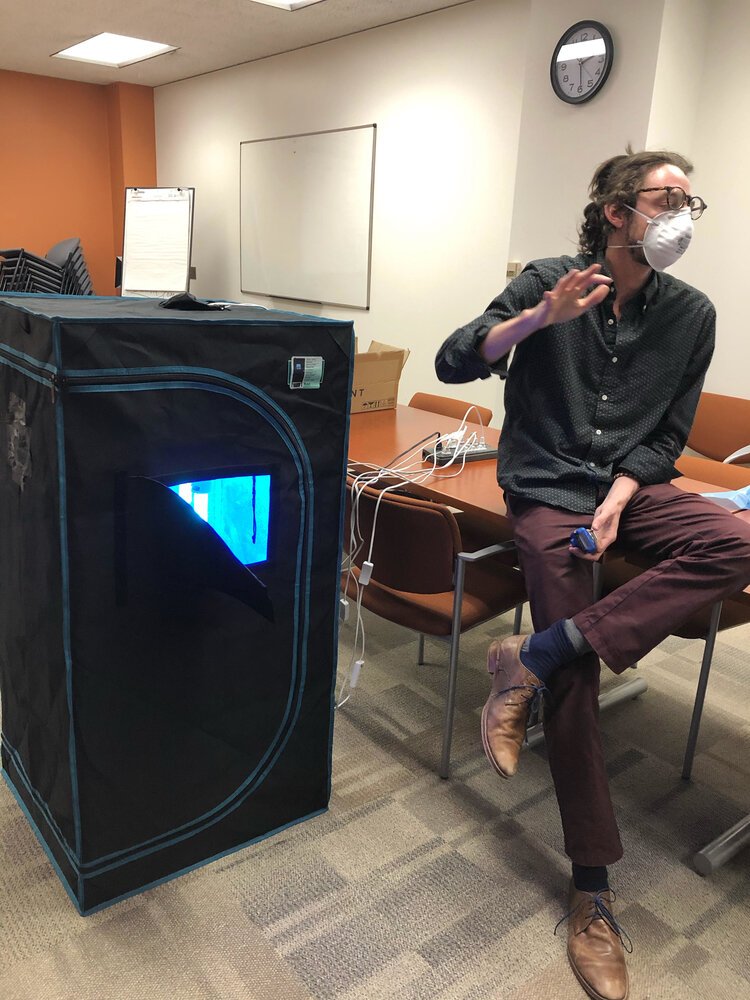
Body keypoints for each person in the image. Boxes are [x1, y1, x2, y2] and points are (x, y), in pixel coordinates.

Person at [435, 149, 750, 1000]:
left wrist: (615, 503)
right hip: (543, 485)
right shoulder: (550, 280)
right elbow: (454, 360)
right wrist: (538, 319)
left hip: (629, 491)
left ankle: (531, 656)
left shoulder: (693, 313)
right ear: (617, 211)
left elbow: (667, 435)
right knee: (577, 683)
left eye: (690, 202)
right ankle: (593, 891)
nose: (681, 215)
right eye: (666, 198)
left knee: (736, 543)